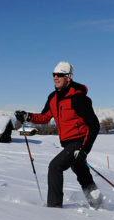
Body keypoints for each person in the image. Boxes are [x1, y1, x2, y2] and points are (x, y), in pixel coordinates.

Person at [15, 61, 102, 209]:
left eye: (60, 75)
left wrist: (84, 149)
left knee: (55, 167)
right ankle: (99, 204)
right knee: (82, 173)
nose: (56, 77)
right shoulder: (53, 98)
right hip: (67, 143)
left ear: (68, 77)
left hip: (79, 141)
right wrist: (27, 116)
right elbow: (45, 117)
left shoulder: (78, 98)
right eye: (54, 74)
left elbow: (94, 125)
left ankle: (54, 208)